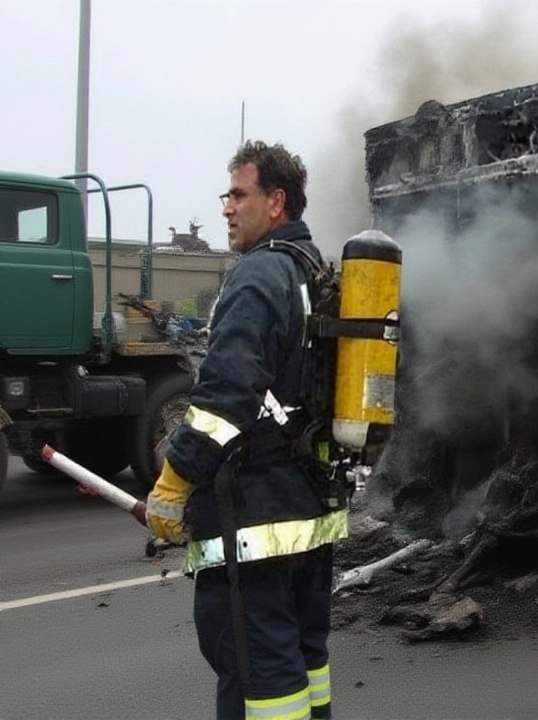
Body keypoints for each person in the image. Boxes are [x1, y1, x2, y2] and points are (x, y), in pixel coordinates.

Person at [145, 141, 347, 720]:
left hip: (255, 525)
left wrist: (175, 480)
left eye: (239, 195)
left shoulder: (259, 275)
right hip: (310, 512)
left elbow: (224, 398)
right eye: (225, 196)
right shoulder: (315, 272)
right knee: (308, 662)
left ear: (275, 201)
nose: (227, 208)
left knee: (260, 672)